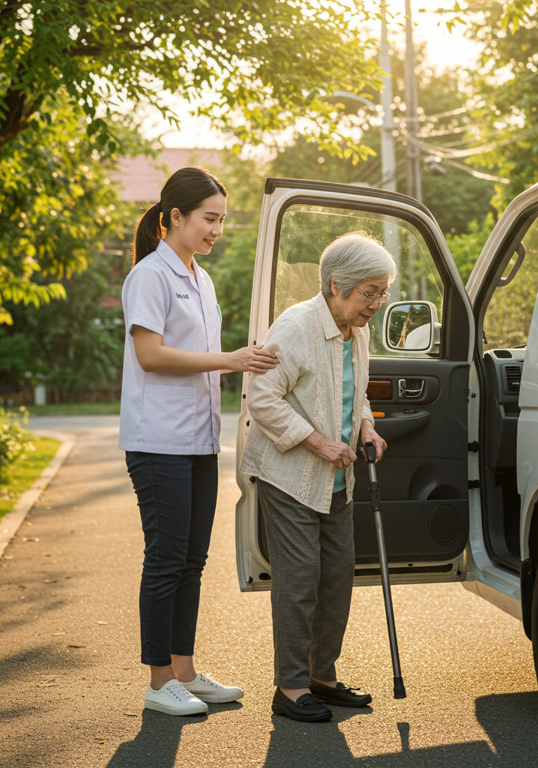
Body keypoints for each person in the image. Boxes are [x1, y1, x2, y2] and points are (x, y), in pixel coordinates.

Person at [119, 167, 278, 716]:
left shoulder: (201, 279)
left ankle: (184, 671)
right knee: (165, 559)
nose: (217, 230)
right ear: (175, 217)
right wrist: (231, 360)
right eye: (210, 219)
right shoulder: (150, 276)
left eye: (222, 221)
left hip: (197, 441)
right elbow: (152, 355)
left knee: (191, 560)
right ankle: (159, 679)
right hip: (157, 440)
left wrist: (243, 358)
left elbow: (196, 357)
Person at [241, 231, 395, 722]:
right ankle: (288, 688)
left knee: (336, 580)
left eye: (381, 292)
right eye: (368, 292)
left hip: (337, 480)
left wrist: (366, 426)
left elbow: (355, 393)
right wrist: (319, 442)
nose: (375, 303)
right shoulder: (297, 325)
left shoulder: (358, 330)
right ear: (336, 285)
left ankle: (321, 679)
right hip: (290, 476)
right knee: (300, 580)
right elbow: (261, 397)